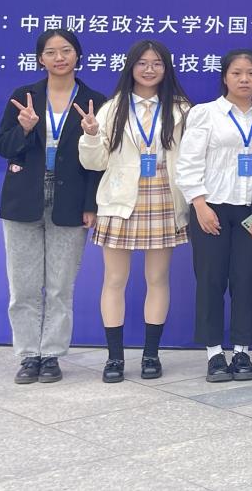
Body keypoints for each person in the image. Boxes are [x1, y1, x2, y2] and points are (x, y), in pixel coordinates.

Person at [0, 29, 107, 384]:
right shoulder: (23, 97)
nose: (59, 58)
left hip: (70, 200)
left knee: (60, 286)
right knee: (23, 286)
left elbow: (99, 163)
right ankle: (29, 355)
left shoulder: (95, 101)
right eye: (51, 52)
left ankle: (52, 355)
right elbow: (3, 147)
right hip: (23, 197)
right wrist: (25, 129)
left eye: (66, 50)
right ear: (40, 59)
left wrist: (90, 204)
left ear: (78, 55)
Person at [79, 39, 191, 383]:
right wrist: (91, 135)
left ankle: (150, 355)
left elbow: (191, 158)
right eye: (142, 63)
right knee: (114, 280)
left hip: (163, 197)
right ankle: (114, 358)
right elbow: (94, 162)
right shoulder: (112, 108)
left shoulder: (182, 109)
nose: (149, 69)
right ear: (130, 67)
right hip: (119, 199)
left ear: (166, 68)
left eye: (156, 63)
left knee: (157, 279)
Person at [176, 49, 252, 383]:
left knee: (247, 280)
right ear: (224, 77)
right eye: (237, 73)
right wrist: (199, 204)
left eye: (251, 73)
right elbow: (188, 162)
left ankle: (241, 351)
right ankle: (213, 353)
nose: (244, 79)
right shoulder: (205, 114)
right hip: (211, 209)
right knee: (210, 280)